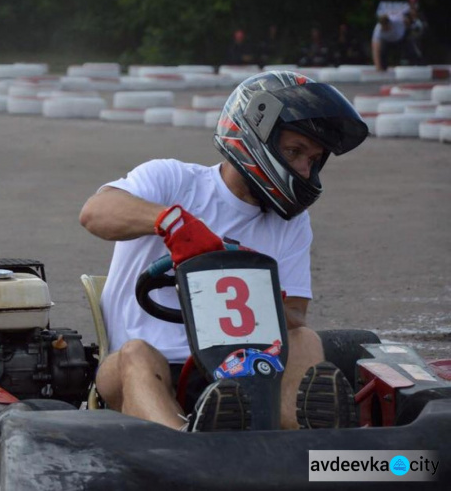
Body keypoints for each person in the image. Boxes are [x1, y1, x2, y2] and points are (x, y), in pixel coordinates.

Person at [80, 71, 369, 431]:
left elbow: (295, 313)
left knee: (305, 339)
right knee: (136, 355)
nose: (302, 168)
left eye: (312, 159)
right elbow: (95, 213)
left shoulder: (291, 223)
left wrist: (248, 282)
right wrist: (173, 224)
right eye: (294, 152)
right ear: (253, 134)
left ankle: (301, 438)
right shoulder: (173, 181)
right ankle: (186, 443)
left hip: (243, 370)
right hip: (146, 369)